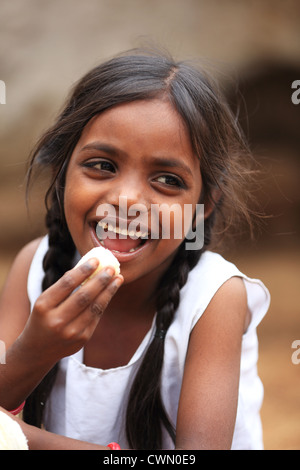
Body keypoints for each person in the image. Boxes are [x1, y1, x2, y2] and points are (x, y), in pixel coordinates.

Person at [0, 49, 270, 450]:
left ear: (203, 205)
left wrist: (18, 437)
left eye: (166, 179)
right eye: (103, 166)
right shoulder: (34, 266)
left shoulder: (215, 298)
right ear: (61, 171)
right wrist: (35, 350)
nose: (126, 199)